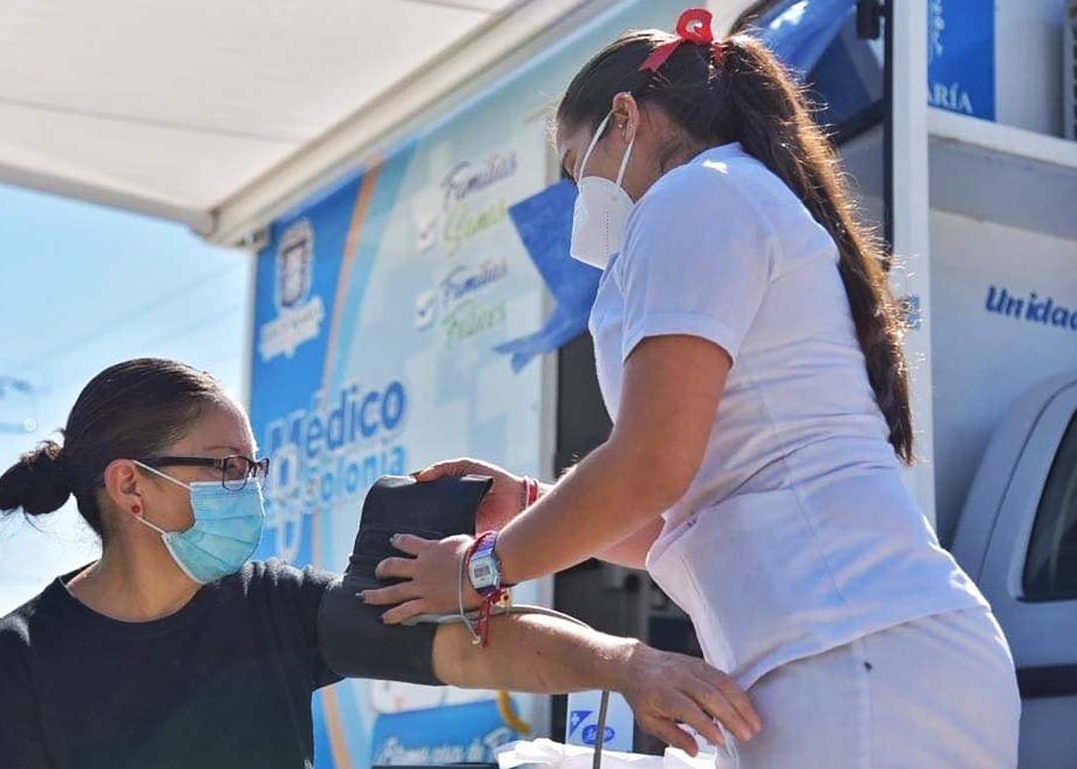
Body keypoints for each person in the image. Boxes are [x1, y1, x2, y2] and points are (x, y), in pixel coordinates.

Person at [360, 11, 1021, 768]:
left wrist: (480, 568)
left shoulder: (693, 196)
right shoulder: (729, 197)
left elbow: (649, 467)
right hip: (858, 655)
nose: (580, 201)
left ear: (625, 118)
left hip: (853, 656)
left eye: (577, 169)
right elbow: (677, 516)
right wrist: (533, 506)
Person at [0, 357, 760, 769]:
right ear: (131, 487)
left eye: (254, 467)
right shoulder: (16, 659)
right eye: (227, 467)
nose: (250, 488)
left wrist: (627, 663)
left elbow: (476, 647)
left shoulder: (272, 607)